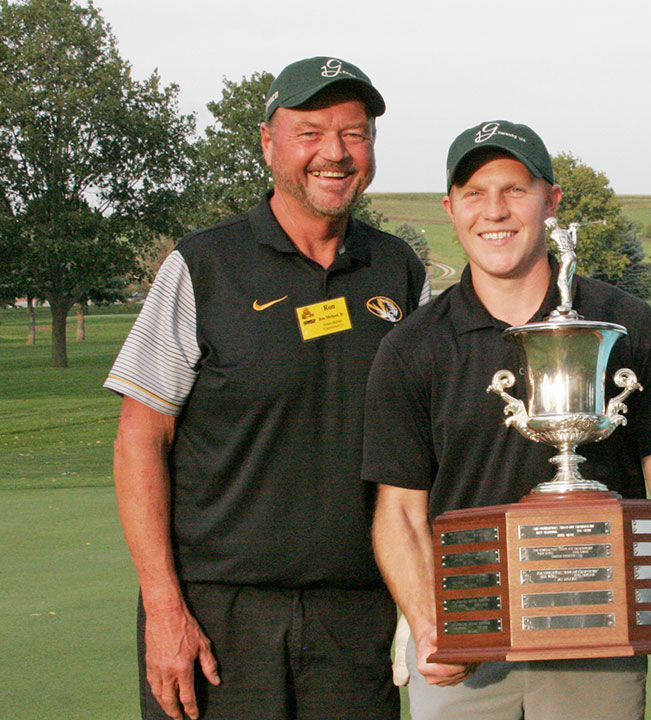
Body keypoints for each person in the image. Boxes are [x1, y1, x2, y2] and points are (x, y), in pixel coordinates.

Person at [105, 56, 429, 720]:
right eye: (310, 131)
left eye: (355, 133)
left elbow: (428, 445)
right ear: (268, 143)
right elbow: (139, 441)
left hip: (358, 619)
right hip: (218, 619)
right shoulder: (202, 265)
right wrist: (164, 608)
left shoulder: (398, 271)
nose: (334, 153)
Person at [363, 120, 651, 720]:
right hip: (466, 657)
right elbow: (398, 511)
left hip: (598, 643)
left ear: (551, 201)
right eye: (475, 193)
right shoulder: (412, 346)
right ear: (450, 209)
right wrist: (428, 626)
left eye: (515, 190)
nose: (494, 211)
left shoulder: (623, 326)